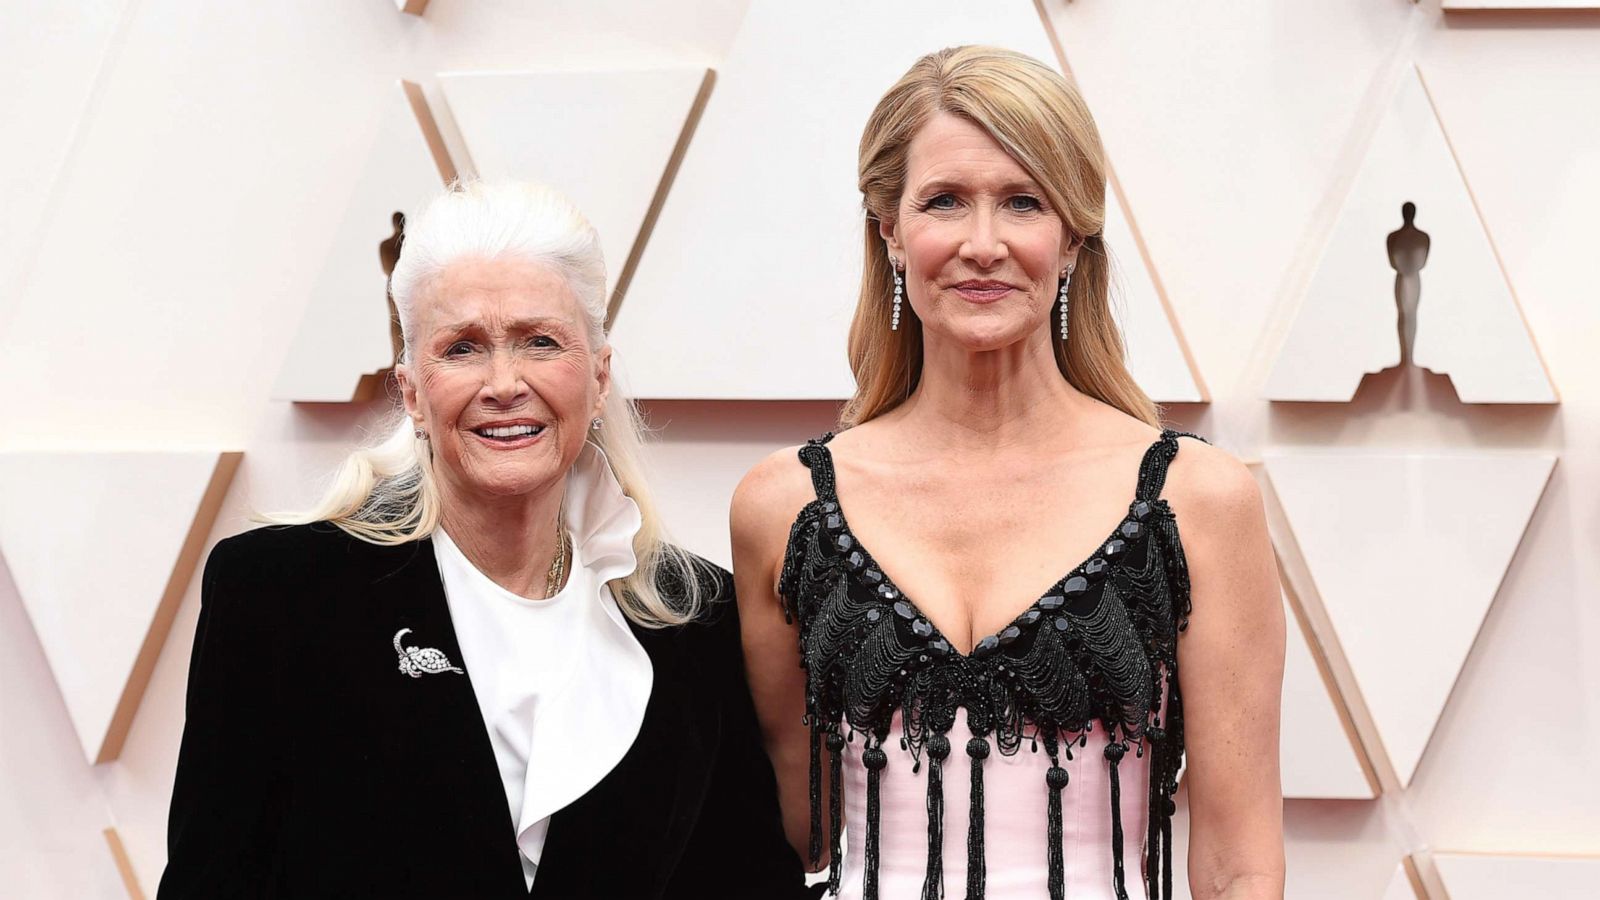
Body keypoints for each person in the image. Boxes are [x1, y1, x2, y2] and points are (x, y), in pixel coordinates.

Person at [733, 47, 1285, 900]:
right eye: (945, 201)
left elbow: (1240, 865)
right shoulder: (784, 507)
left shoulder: (1198, 500)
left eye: (1022, 202)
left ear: (1071, 239)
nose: (982, 244)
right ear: (888, 229)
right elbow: (783, 834)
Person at [159, 181, 809, 899]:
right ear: (411, 391)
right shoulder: (278, 593)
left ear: (598, 377)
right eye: (463, 348)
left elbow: (750, 880)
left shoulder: (695, 611)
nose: (505, 383)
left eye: (540, 341)